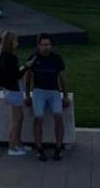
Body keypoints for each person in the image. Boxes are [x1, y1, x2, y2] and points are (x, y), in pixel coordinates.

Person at [24, 34, 71, 162]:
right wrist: (27, 95)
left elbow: (62, 78)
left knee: (58, 116)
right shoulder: (34, 58)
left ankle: (58, 147)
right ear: (38, 45)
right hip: (39, 91)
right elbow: (28, 78)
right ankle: (39, 147)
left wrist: (65, 96)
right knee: (38, 117)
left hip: (53, 91)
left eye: (48, 44)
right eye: (44, 45)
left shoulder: (56, 58)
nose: (46, 47)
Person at [0, 30, 30, 156]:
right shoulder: (9, 57)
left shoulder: (4, 55)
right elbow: (15, 75)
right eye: (16, 40)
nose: (18, 42)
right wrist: (26, 66)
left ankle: (18, 143)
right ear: (11, 42)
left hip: (11, 89)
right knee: (16, 120)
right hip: (13, 90)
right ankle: (12, 147)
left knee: (19, 118)